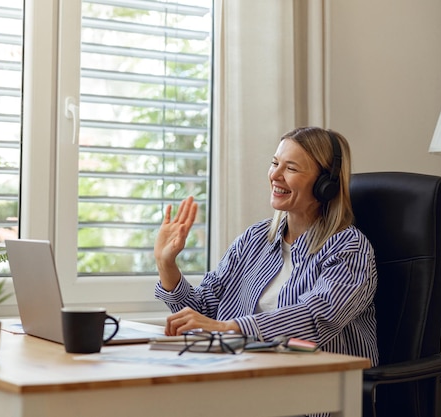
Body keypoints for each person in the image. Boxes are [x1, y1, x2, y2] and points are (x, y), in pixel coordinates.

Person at [153, 126, 378, 369]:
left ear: (326, 184)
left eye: (291, 168)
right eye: (275, 163)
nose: (275, 175)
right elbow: (204, 311)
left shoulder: (349, 248)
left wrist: (230, 328)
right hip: (244, 375)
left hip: (312, 389)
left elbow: (316, 319)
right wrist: (166, 264)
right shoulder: (255, 238)